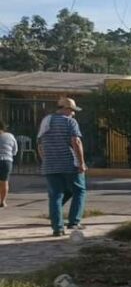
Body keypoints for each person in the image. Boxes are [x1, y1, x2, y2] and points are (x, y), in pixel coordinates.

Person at [38, 98, 88, 237]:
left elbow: (40, 145)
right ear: (66, 109)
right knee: (79, 190)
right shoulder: (69, 121)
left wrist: (45, 160)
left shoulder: (46, 121)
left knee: (55, 195)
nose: (74, 114)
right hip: (69, 163)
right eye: (72, 111)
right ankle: (74, 221)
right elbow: (76, 142)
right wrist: (81, 162)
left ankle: (57, 228)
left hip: (50, 164)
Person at [0, 121, 18, 207]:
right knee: (4, 182)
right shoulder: (10, 136)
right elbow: (15, 150)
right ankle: (3, 201)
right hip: (7, 161)